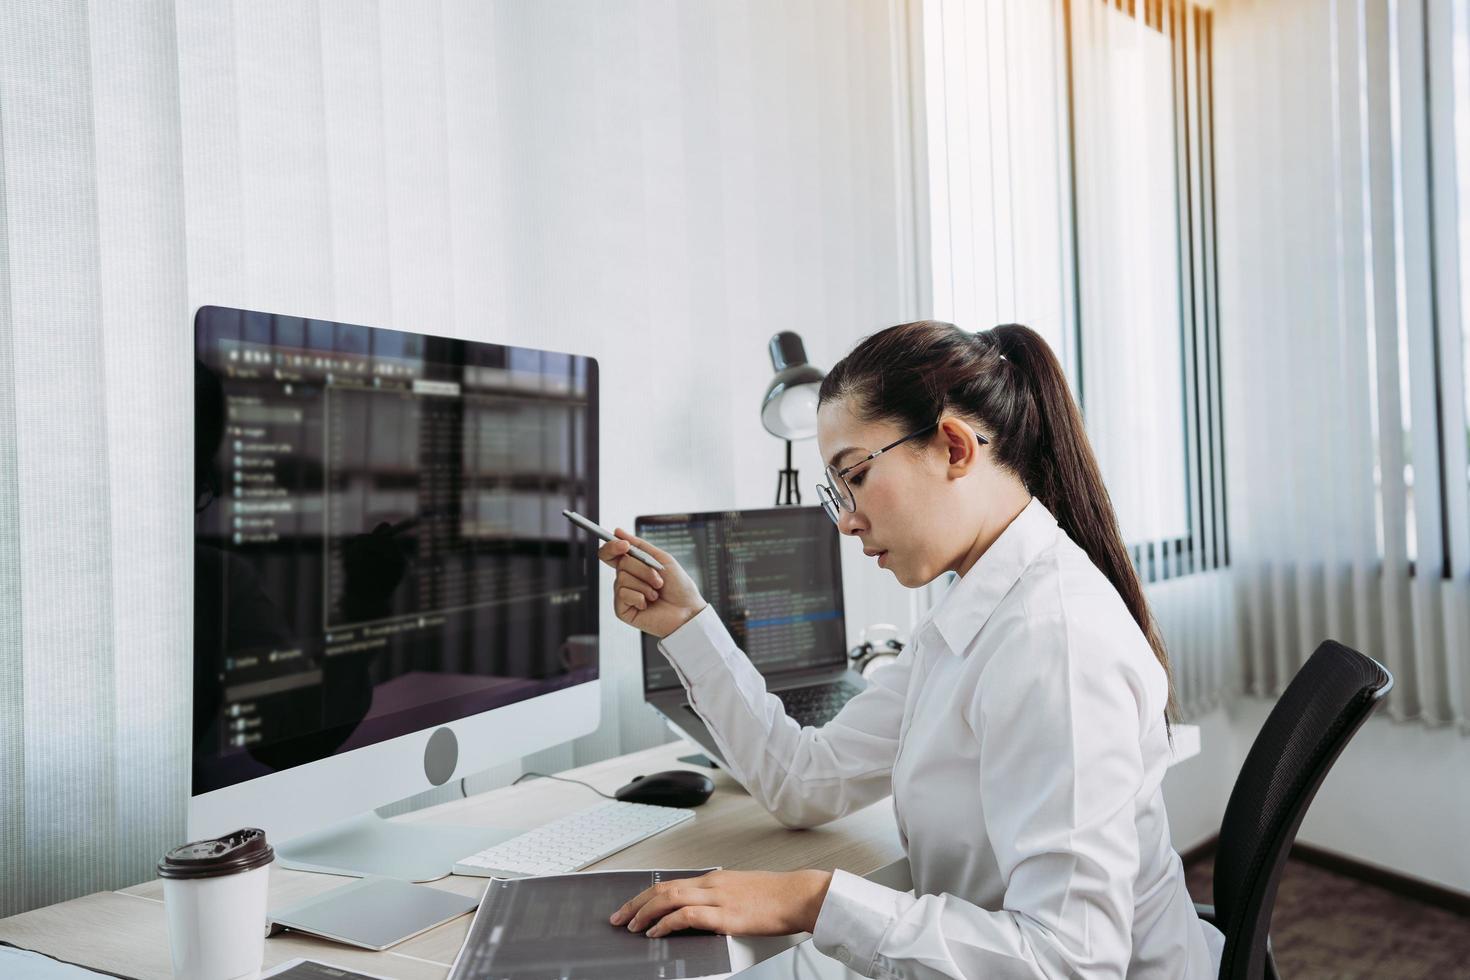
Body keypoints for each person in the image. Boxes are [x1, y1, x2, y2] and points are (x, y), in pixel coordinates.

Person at [598, 321, 1224, 979]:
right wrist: (687, 624)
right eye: (836, 491)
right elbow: (806, 781)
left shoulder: (1053, 646)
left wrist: (814, 900)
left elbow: (1068, 963)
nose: (845, 518)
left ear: (954, 447)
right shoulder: (971, 613)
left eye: (855, 477)